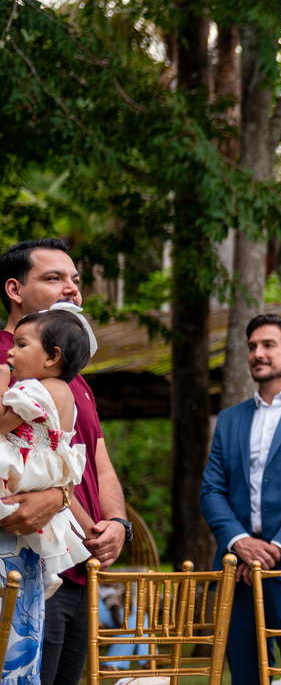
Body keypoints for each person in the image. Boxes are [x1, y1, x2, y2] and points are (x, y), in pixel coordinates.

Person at [0, 239, 129, 685]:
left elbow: (98, 458)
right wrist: (57, 496)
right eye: (54, 278)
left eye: (75, 280)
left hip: (81, 567)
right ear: (15, 289)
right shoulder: (9, 363)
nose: (72, 289)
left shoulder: (70, 375)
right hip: (27, 561)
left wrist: (116, 522)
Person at [200, 314, 281, 685]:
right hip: (237, 573)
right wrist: (242, 543)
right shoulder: (229, 419)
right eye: (252, 347)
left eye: (268, 345)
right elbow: (211, 490)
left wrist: (274, 548)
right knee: (244, 673)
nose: (257, 353)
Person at [0, 308, 96, 595]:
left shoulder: (35, 389)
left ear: (52, 356)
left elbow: (3, 423)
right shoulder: (65, 391)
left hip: (25, 465)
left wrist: (2, 381)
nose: (10, 353)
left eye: (21, 345)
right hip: (48, 470)